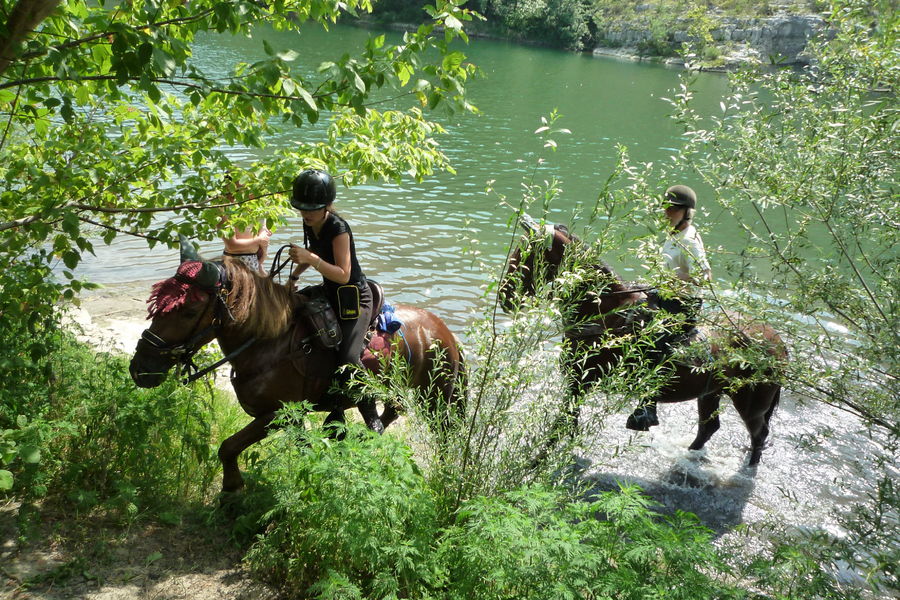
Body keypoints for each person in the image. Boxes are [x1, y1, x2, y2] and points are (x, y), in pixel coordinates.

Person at [286, 169, 382, 434]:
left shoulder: (338, 228)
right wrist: (294, 276)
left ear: (326, 206)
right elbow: (313, 254)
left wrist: (310, 259)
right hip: (329, 291)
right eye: (302, 208)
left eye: (312, 209)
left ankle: (371, 414)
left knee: (349, 357)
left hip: (353, 297)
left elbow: (343, 274)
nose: (306, 214)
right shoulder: (310, 222)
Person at [626, 184, 711, 431]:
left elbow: (705, 276)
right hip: (666, 296)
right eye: (665, 207)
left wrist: (674, 281)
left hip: (684, 305)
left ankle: (648, 408)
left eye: (672, 209)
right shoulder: (674, 234)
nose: (666, 212)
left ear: (686, 212)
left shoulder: (690, 240)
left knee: (654, 340)